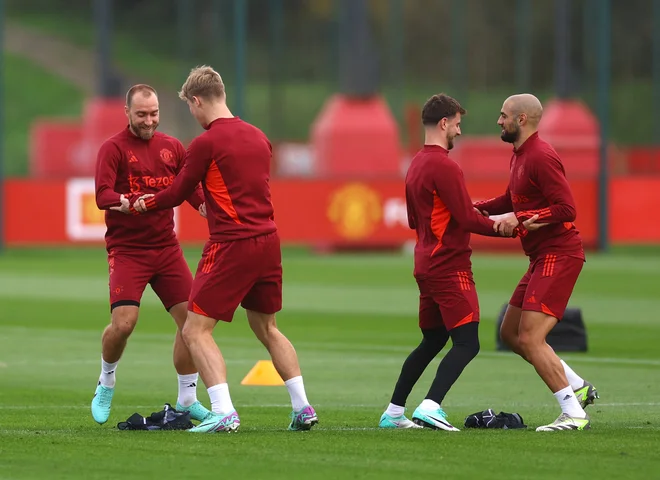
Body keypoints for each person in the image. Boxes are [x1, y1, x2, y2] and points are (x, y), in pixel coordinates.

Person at [131, 66, 317, 433]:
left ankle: (223, 410)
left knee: (195, 329)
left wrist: (144, 204)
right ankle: (303, 406)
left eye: (190, 107)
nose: (193, 115)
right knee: (268, 328)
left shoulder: (206, 143)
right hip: (269, 240)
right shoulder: (258, 137)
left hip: (233, 243)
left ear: (197, 101)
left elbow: (177, 191)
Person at [378, 93, 534, 431]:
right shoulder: (445, 165)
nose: (460, 132)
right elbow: (464, 218)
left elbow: (413, 220)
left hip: (424, 262)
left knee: (432, 341)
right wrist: (506, 229)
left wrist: (462, 216)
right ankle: (430, 406)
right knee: (468, 342)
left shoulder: (415, 164)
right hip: (448, 264)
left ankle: (393, 413)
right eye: (458, 124)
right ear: (444, 123)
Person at [473, 93, 599, 432]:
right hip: (540, 256)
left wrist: (521, 216)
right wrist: (480, 207)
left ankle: (573, 413)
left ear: (521, 120)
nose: (499, 121)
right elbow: (513, 198)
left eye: (503, 116)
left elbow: (566, 209)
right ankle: (578, 386)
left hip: (560, 254)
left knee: (530, 338)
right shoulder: (519, 156)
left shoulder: (541, 155)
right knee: (511, 333)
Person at [92, 84, 211, 425]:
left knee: (193, 322)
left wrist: (203, 205)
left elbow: (187, 185)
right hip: (128, 250)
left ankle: (187, 398)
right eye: (142, 114)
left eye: (154, 113)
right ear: (127, 113)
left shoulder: (172, 147)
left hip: (166, 248)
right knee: (124, 324)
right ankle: (106, 379)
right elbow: (101, 193)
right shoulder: (112, 148)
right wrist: (122, 202)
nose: (149, 120)